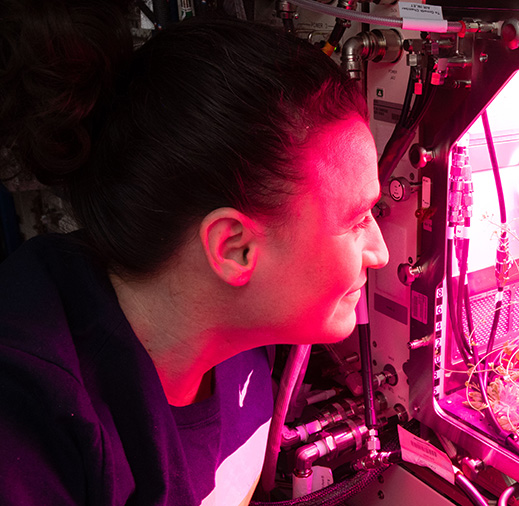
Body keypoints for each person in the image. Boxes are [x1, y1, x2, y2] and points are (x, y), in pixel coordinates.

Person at [0, 1, 389, 504]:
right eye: (357, 219)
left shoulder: (242, 337)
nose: (378, 251)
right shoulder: (29, 425)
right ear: (233, 246)